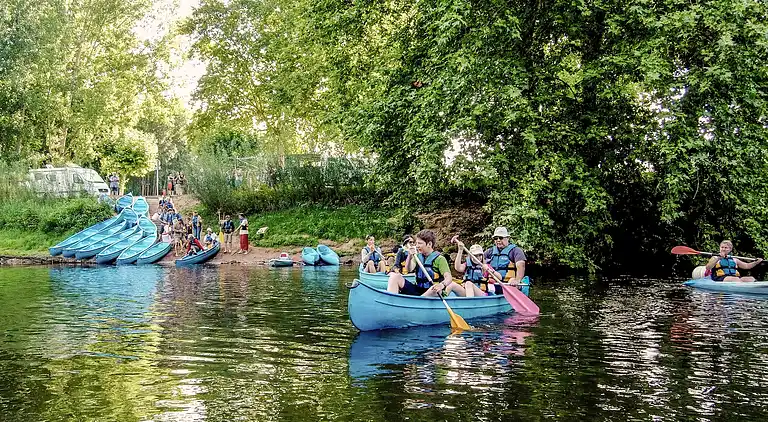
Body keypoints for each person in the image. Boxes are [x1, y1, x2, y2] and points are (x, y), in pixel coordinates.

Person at [387, 230, 453, 297]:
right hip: (418, 289)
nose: (417, 246)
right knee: (394, 277)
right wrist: (409, 256)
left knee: (435, 290)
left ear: (429, 244)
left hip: (432, 291)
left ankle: (418, 300)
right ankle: (392, 300)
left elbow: (448, 277)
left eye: (420, 243)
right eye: (416, 243)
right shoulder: (418, 256)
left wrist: (441, 285)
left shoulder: (440, 259)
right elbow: (409, 269)